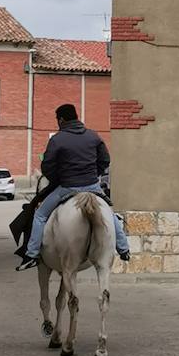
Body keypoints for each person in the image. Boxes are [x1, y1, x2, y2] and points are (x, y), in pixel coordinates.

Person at [17, 103, 130, 268]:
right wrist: (94, 175)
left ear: (61, 119)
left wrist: (58, 179)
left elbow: (47, 166)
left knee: (40, 216)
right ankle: (124, 248)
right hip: (93, 186)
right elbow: (105, 160)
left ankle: (32, 254)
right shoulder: (93, 136)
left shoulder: (57, 139)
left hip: (67, 187)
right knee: (110, 215)